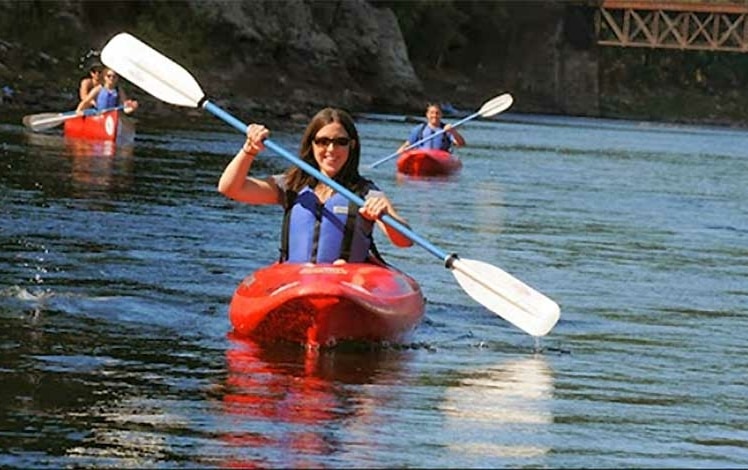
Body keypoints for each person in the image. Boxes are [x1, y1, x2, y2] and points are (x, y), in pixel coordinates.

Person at [218, 107, 413, 264]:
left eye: (340, 142)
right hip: (297, 282)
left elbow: (404, 241)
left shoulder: (365, 192)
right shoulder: (290, 186)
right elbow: (231, 188)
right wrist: (249, 151)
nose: (331, 149)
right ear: (311, 145)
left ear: (351, 145)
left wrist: (384, 217)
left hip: (344, 284)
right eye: (322, 141)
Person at [396, 103, 466, 154]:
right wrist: (401, 150)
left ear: (441, 115)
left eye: (437, 113)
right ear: (427, 115)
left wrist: (453, 132)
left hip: (440, 157)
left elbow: (461, 144)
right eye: (432, 113)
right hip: (421, 156)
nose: (434, 116)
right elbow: (408, 144)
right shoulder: (419, 129)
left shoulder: (446, 129)